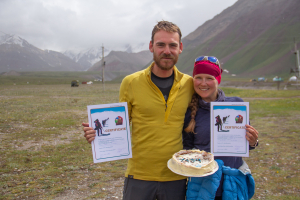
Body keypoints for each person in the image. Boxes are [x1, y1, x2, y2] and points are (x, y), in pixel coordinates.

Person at [82, 21, 194, 200]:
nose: (167, 50)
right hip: (139, 176)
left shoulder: (189, 84)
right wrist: (97, 134)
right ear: (151, 46)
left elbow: (207, 114)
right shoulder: (130, 82)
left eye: (172, 45)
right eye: (160, 45)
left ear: (180, 47)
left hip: (176, 175)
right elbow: (120, 125)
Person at [182, 56, 259, 199]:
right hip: (203, 184)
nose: (203, 83)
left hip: (232, 183)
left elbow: (244, 145)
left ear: (218, 79)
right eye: (198, 77)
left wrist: (253, 141)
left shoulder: (236, 105)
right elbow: (188, 149)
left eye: (209, 78)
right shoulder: (189, 112)